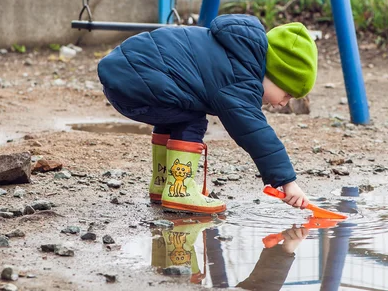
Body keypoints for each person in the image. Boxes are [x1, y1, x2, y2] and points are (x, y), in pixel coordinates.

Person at [98, 14, 318, 214]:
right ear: (275, 73)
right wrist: (288, 182)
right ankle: (179, 191)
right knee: (192, 115)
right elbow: (255, 133)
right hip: (138, 84)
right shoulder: (241, 77)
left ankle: (163, 183)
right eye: (287, 93)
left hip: (123, 80)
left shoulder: (236, 51)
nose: (283, 103)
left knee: (179, 108)